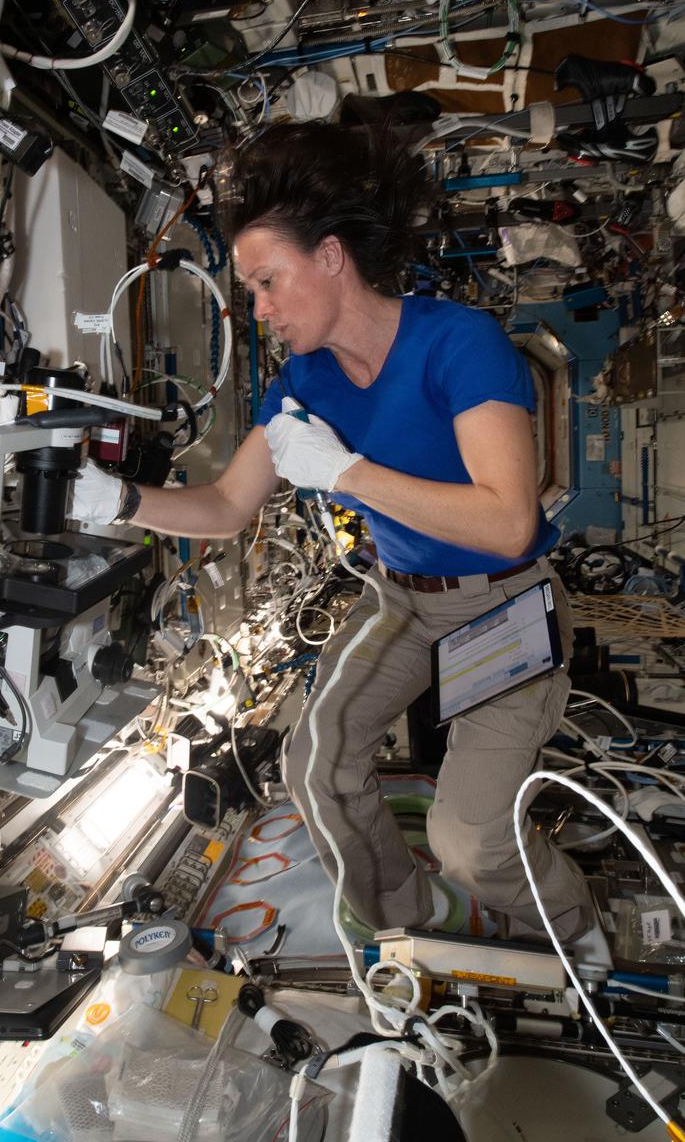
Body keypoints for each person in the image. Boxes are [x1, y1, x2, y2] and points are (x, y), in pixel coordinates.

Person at [70, 121, 593, 943]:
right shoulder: (302, 384)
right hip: (403, 599)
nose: (260, 309)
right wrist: (117, 501)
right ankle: (408, 925)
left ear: (331, 257)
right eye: (250, 292)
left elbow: (506, 520)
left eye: (268, 281)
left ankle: (578, 942)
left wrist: (346, 474)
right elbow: (224, 507)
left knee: (470, 840)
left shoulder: (457, 344)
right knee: (315, 767)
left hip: (505, 604)